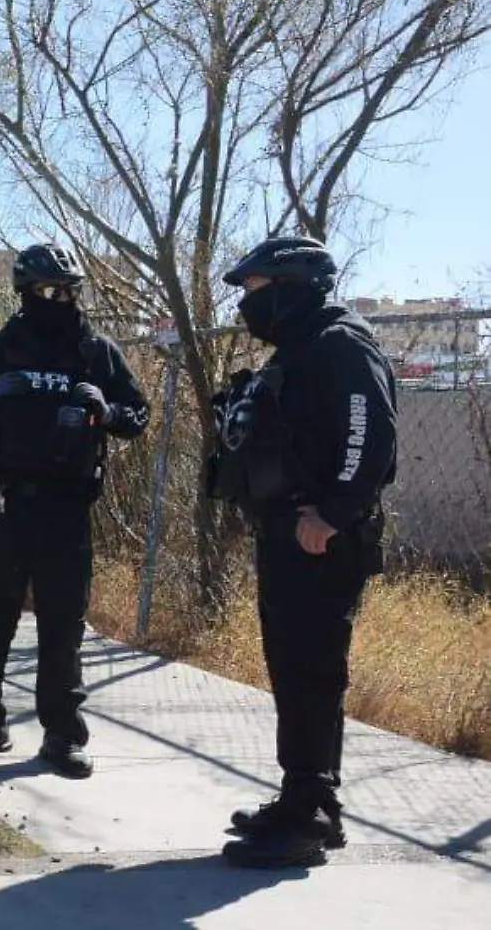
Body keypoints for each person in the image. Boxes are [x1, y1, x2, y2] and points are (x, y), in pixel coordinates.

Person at [208, 235, 396, 870]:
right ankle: (307, 800)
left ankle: (309, 817)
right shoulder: (300, 347)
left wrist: (333, 514)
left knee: (312, 672)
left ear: (291, 287)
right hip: (287, 536)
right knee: (295, 671)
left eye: (255, 290)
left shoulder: (341, 343)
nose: (247, 304)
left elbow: (369, 435)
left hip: (320, 541)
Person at [0, 244, 150, 779]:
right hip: (4, 506)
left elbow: (138, 413)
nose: (66, 301)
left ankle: (62, 735)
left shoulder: (95, 351)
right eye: (55, 291)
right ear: (27, 293)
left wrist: (108, 408)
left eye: (73, 291)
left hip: (67, 510)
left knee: (62, 627)